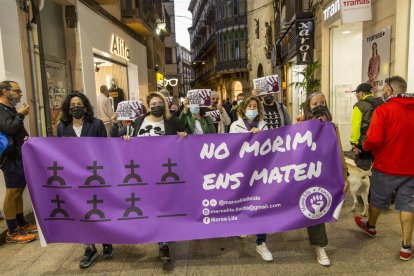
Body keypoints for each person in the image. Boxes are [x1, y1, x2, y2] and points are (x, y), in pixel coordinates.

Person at [119, 92, 186, 263]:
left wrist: (183, 137)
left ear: (164, 104)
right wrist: (127, 138)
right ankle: (152, 232)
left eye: (159, 103)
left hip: (164, 171)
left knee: (162, 205)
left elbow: (186, 142)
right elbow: (131, 141)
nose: (156, 106)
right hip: (143, 170)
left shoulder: (173, 121)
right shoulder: (140, 121)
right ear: (148, 106)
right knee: (147, 204)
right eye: (153, 104)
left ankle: (163, 242)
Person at [354, 76, 414, 261]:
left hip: (386, 165)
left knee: (378, 200)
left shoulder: (384, 110)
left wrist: (364, 147)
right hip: (411, 168)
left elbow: (373, 140)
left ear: (390, 91)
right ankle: (406, 247)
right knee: (408, 205)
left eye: (384, 90)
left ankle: (371, 227)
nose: (382, 93)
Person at [56, 92, 112, 269]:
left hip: (96, 175)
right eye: (72, 105)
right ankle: (89, 248)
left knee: (99, 210)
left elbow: (106, 149)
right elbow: (58, 150)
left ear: (85, 106)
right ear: (68, 108)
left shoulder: (96, 124)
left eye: (79, 104)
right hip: (74, 178)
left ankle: (106, 240)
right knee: (81, 212)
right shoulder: (62, 127)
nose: (76, 107)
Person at [303, 92, 349, 266]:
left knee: (318, 209)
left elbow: (339, 152)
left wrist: (344, 176)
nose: (319, 106)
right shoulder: (302, 126)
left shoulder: (332, 126)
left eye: (322, 102)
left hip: (327, 174)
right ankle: (319, 245)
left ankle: (319, 245)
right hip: (308, 174)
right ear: (309, 106)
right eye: (315, 104)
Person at [229, 96, 271, 261]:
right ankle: (243, 225)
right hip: (242, 171)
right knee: (243, 201)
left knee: (261, 205)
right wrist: (249, 135)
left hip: (260, 172)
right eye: (250, 105)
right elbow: (232, 146)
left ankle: (261, 243)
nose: (252, 108)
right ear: (243, 108)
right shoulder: (235, 125)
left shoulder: (264, 125)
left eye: (255, 106)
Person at [0, 80, 37, 244]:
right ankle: (12, 231)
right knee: (12, 192)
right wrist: (21, 114)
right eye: (17, 91)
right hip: (11, 158)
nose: (20, 93)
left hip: (20, 155)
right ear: (5, 91)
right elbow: (9, 128)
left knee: (19, 190)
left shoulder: (9, 108)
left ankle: (21, 223)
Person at [350, 82, 383, 170]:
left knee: (363, 169)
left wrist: (354, 143)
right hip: (380, 143)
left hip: (365, 143)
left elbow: (356, 125)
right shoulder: (382, 103)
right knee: (377, 169)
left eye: (356, 93)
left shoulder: (360, 105)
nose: (356, 95)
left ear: (361, 93)